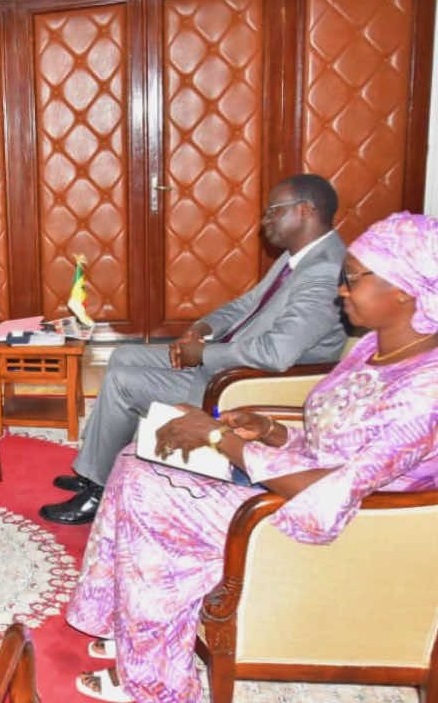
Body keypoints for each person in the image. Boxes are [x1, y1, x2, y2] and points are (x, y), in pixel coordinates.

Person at [66, 211, 438, 703]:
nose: (341, 292)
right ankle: (131, 624)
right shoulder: (372, 348)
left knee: (149, 492)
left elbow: (335, 494)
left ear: (405, 290)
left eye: (351, 281)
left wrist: (224, 441)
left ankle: (155, 682)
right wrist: (271, 432)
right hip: (292, 483)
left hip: (333, 523)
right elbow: (337, 440)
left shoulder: (425, 391)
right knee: (141, 455)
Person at [42, 174, 348, 525]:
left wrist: (203, 355)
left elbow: (276, 353)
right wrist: (202, 329)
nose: (265, 222)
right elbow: (245, 305)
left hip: (245, 380)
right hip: (228, 356)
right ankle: (95, 469)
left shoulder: (324, 270)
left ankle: (98, 492)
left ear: (305, 210)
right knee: (123, 354)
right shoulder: (298, 257)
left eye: (273, 212)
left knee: (125, 382)